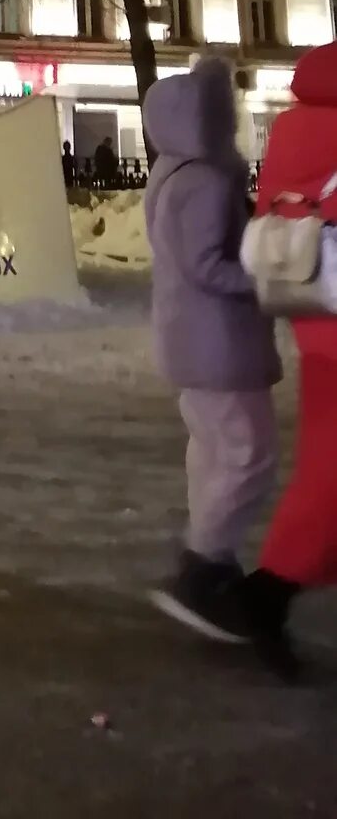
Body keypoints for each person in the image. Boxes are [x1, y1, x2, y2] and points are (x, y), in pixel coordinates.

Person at [144, 56, 281, 641]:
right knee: (249, 453)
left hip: (192, 341)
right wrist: (265, 278)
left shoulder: (172, 174)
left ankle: (210, 562)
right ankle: (204, 565)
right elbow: (208, 266)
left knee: (215, 451)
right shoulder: (204, 179)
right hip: (220, 341)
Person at [243, 37, 337, 676]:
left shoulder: (293, 125)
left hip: (313, 304)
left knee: (326, 459)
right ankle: (267, 592)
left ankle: (275, 588)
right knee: (328, 473)